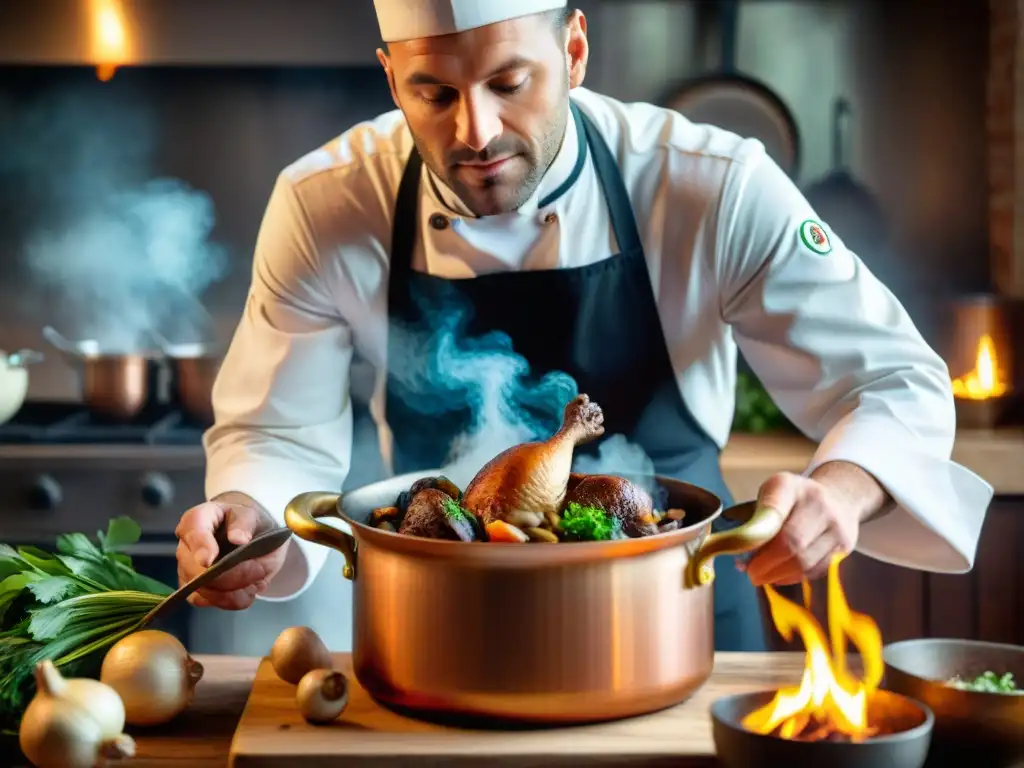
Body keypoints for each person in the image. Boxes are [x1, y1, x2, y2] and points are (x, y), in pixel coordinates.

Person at [175, 0, 993, 654]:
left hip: (681, 608)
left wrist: (840, 492)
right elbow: (277, 434)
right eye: (436, 93)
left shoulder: (711, 183)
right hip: (436, 624)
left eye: (509, 81)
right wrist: (254, 521)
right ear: (391, 78)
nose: (477, 133)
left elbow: (892, 380)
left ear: (573, 52)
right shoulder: (325, 204)